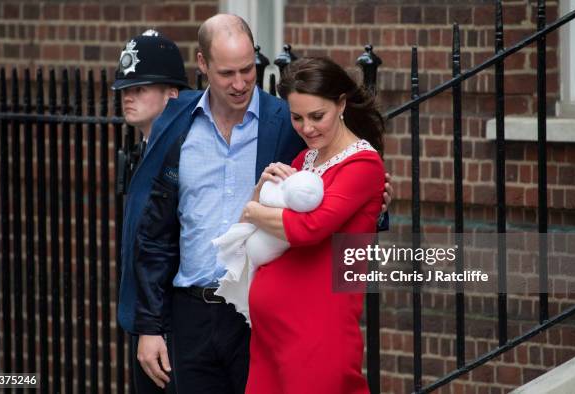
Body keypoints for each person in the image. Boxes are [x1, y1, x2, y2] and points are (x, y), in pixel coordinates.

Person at [127, 14, 393, 394]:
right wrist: (149, 324)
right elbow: (153, 228)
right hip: (193, 310)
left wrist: (378, 208)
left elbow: (335, 200)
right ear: (202, 65)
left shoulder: (286, 122)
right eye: (226, 73)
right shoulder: (175, 122)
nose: (239, 83)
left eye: (247, 69)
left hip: (257, 323)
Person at [241, 57, 385, 394]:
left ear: (341, 104)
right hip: (272, 334)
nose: (307, 128)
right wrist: (261, 191)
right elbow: (267, 227)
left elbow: (310, 228)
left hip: (319, 333)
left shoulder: (363, 163)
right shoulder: (303, 160)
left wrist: (252, 209)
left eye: (317, 116)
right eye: (297, 117)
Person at [112, 29, 189, 394]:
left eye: (141, 88)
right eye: (126, 89)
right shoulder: (146, 149)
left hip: (170, 327)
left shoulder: (180, 152)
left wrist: (153, 326)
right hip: (147, 321)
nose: (129, 96)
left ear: (172, 94)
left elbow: (167, 246)